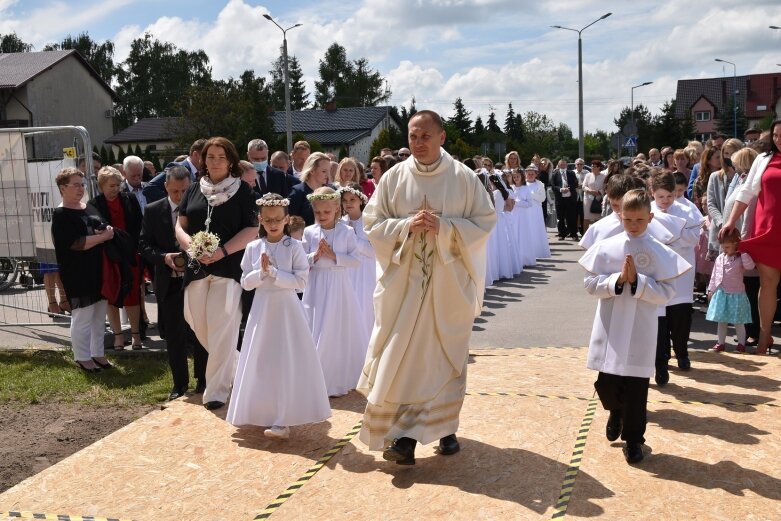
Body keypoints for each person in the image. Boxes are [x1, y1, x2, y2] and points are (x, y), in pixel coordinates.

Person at [357, 110, 496, 465]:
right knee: (402, 359)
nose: (417, 143)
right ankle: (403, 438)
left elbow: (484, 221)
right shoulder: (393, 178)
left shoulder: (464, 178)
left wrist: (445, 227)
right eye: (412, 136)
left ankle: (445, 428)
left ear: (442, 137)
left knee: (441, 358)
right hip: (403, 289)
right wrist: (405, 226)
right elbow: (372, 223)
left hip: (447, 288)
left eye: (425, 136)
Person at [579, 189, 690, 464]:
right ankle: (615, 410)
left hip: (641, 326)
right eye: (628, 219)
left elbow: (667, 293)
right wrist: (617, 279)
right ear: (620, 215)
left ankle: (634, 439)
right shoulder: (608, 245)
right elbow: (590, 284)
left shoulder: (658, 250)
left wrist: (638, 283)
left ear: (650, 217)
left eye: (639, 219)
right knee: (606, 383)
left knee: (637, 388)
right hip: (611, 323)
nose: (633, 225)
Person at [226, 193, 331, 439]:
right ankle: (259, 411)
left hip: (286, 310)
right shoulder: (253, 247)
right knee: (261, 358)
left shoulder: (294, 247)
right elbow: (245, 282)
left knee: (285, 359)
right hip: (262, 309)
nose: (273, 224)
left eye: (277, 219)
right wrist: (260, 274)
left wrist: (273, 272)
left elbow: (300, 282)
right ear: (260, 220)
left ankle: (283, 417)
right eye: (267, 219)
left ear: (286, 219)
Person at [175, 137, 259, 410]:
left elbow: (252, 229)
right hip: (197, 267)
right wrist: (191, 247)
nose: (215, 161)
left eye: (221, 157)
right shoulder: (193, 190)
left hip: (228, 267)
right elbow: (181, 224)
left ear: (231, 160)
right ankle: (240, 367)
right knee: (197, 321)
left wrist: (223, 251)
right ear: (202, 159)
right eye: (210, 156)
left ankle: (216, 391)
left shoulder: (244, 191)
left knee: (223, 327)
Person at [139, 166, 208, 400]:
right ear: (166, 187)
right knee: (175, 336)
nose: (180, 196)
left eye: (185, 190)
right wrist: (164, 258)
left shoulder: (200, 210)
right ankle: (179, 384)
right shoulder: (152, 210)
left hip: (196, 281)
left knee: (201, 332)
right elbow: (144, 245)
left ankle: (203, 380)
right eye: (175, 191)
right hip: (168, 283)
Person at [721, 119, 781, 354]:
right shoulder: (763, 160)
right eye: (775, 135)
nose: (778, 140)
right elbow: (746, 192)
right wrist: (731, 220)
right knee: (767, 284)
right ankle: (765, 336)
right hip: (768, 231)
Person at [301, 187, 367, 397]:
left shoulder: (346, 232)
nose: (322, 217)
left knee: (335, 328)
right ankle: (315, 378)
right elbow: (302, 261)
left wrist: (334, 254)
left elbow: (356, 260)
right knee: (316, 326)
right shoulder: (310, 232)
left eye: (326, 212)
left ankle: (336, 379)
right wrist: (315, 256)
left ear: (337, 209)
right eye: (318, 213)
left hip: (338, 285)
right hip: (317, 284)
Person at [51, 167, 115, 372]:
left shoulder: (87, 207)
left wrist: (105, 231)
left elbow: (102, 225)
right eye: (75, 185)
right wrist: (102, 237)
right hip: (77, 272)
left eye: (82, 184)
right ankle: (82, 356)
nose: (80, 189)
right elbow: (75, 243)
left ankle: (97, 353)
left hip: (97, 268)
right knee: (83, 315)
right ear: (62, 188)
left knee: (99, 315)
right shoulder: (61, 214)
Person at [649, 170, 703, 385]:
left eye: (669, 196)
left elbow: (694, 237)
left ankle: (682, 352)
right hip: (658, 270)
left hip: (681, 269)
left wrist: (675, 234)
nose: (665, 201)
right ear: (652, 193)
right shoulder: (648, 210)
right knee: (659, 318)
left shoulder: (686, 210)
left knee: (680, 315)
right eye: (660, 196)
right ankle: (660, 363)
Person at [89, 166, 144, 351]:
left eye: (118, 184)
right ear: (101, 186)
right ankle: (118, 336)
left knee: (132, 295)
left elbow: (139, 224)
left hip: (130, 253)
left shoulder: (129, 198)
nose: (115, 189)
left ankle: (136, 336)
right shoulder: (94, 204)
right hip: (109, 256)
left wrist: (134, 247)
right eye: (111, 185)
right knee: (112, 295)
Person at [721, 147, 760, 346]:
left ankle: (754, 331)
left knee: (750, 291)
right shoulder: (742, 181)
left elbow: (747, 217)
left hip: (744, 245)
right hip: (738, 242)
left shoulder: (750, 185)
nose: (734, 168)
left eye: (736, 164)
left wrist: (741, 244)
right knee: (746, 291)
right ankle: (750, 330)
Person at [706, 229, 755, 353]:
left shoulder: (740, 258)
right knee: (721, 320)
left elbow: (750, 266)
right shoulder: (720, 258)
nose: (724, 249)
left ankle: (741, 344)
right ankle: (720, 343)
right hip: (721, 293)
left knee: (738, 321)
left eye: (727, 247)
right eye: (722, 247)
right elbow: (714, 275)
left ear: (735, 244)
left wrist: (743, 252)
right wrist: (711, 289)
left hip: (736, 294)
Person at [339, 184, 376, 338]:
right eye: (345, 200)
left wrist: (354, 239)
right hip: (346, 271)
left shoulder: (369, 222)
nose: (348, 203)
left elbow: (374, 251)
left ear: (360, 200)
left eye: (352, 199)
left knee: (365, 309)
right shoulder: (340, 222)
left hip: (365, 271)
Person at [706, 138, 744, 258]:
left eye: (733, 153)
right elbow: (711, 204)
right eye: (726, 153)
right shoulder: (715, 177)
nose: (729, 157)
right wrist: (723, 222)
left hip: (740, 230)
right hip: (721, 231)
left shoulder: (745, 177)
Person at [288, 152, 332, 226]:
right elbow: (291, 222)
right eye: (324, 171)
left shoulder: (331, 190)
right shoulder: (298, 192)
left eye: (329, 171)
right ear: (312, 171)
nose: (328, 175)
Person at [522, 164, 551, 260]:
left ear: (535, 174)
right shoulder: (522, 184)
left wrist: (531, 194)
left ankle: (536, 251)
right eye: (528, 174)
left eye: (532, 174)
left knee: (535, 230)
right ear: (525, 174)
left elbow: (542, 198)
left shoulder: (540, 184)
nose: (530, 175)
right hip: (525, 211)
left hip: (535, 211)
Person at [551, 158, 580, 240]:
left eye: (564, 164)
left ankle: (573, 234)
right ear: (559, 165)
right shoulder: (555, 174)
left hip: (570, 198)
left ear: (566, 165)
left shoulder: (571, 173)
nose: (563, 165)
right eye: (561, 164)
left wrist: (569, 188)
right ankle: (561, 234)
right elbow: (553, 186)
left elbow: (576, 183)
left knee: (571, 217)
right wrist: (561, 189)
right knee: (560, 218)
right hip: (560, 199)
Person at [582, 160, 606, 231]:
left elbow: (604, 188)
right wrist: (590, 190)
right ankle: (585, 234)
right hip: (588, 198)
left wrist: (599, 192)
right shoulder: (588, 175)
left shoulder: (603, 176)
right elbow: (584, 186)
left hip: (598, 199)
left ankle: (596, 234)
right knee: (586, 217)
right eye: (591, 166)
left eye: (594, 166)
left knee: (597, 218)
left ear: (599, 167)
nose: (592, 167)